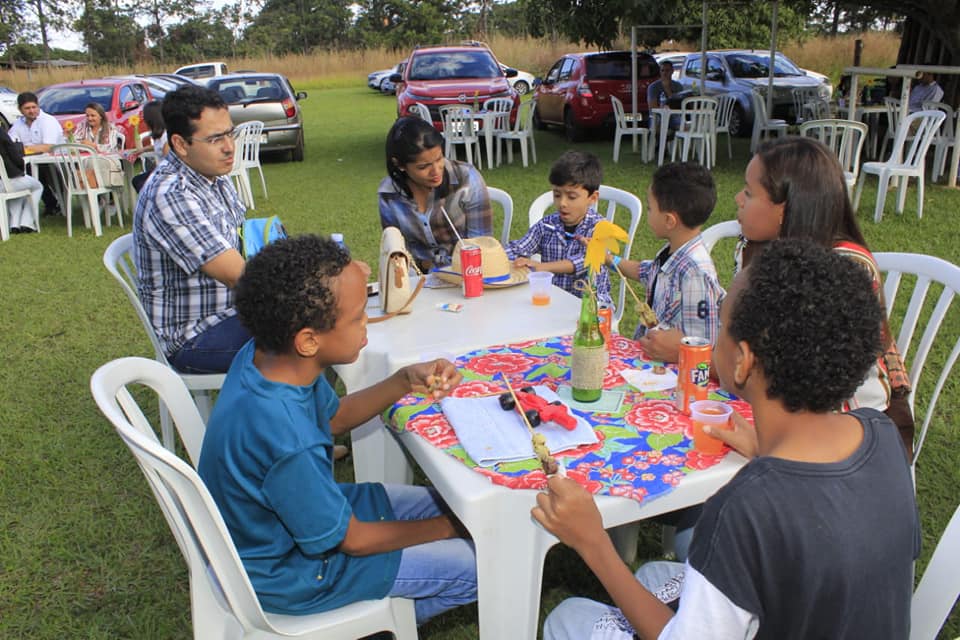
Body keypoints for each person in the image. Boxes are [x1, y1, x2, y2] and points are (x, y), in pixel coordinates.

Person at [534, 239, 919, 640]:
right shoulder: (880, 433)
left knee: (569, 617)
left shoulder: (745, 508)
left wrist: (594, 542)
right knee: (654, 575)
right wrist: (762, 448)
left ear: (743, 361)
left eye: (721, 327)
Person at [198, 234, 477, 624]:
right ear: (309, 340)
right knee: (476, 563)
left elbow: (333, 419)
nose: (367, 325)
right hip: (291, 573)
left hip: (283, 527)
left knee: (452, 504)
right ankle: (380, 627)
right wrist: (448, 529)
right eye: (358, 316)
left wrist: (403, 380)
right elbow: (355, 540)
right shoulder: (286, 437)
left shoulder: (268, 359)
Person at [733, 136, 896, 418]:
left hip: (845, 422)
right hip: (778, 407)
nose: (738, 198)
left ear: (785, 209)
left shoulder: (843, 269)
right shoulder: (758, 250)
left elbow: (808, 379)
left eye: (748, 192)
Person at [132, 85, 249, 374]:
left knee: (325, 317)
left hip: (232, 311)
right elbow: (240, 276)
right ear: (181, 145)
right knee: (312, 331)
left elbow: (245, 245)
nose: (229, 147)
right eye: (215, 139)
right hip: (195, 336)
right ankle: (304, 402)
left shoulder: (213, 176)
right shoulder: (171, 194)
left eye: (230, 134)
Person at [610, 162, 723, 364]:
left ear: (670, 220)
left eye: (650, 208)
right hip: (649, 359)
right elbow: (645, 272)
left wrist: (676, 350)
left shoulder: (695, 273)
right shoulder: (673, 252)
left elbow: (703, 342)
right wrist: (610, 260)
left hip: (672, 371)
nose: (648, 213)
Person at [379, 116, 493, 273]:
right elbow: (396, 251)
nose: (436, 171)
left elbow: (481, 245)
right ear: (399, 165)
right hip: (417, 277)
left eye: (439, 158)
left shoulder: (467, 179)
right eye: (423, 166)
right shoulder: (389, 194)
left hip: (466, 272)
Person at [505, 150, 611, 304]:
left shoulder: (601, 228)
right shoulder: (547, 225)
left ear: (592, 198)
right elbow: (518, 248)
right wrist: (493, 255)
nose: (562, 203)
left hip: (591, 306)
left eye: (571, 197)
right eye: (557, 195)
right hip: (553, 302)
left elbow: (585, 261)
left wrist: (542, 267)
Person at [8, 91, 64, 216]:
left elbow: (48, 147)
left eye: (34, 107)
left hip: (56, 161)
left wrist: (24, 148)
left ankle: (51, 205)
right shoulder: (18, 124)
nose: (32, 111)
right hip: (31, 161)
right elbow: (11, 145)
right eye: (27, 108)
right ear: (20, 109)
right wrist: (23, 149)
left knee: (32, 171)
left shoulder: (47, 121)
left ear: (38, 106)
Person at [74, 102, 125, 196]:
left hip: (105, 160)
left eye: (93, 115)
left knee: (91, 164)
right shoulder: (82, 126)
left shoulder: (110, 127)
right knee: (75, 167)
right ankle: (93, 194)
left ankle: (104, 195)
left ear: (101, 116)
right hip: (86, 160)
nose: (89, 118)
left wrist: (93, 146)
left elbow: (110, 147)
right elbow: (74, 142)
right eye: (87, 116)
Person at [0, 126, 43, 234]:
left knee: (18, 187)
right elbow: (14, 154)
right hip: (7, 179)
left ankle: (14, 224)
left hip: (5, 183)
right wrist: (20, 167)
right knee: (37, 186)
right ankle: (26, 223)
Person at [132, 100, 168, 192]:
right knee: (137, 180)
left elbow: (169, 163)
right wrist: (144, 149)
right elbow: (158, 147)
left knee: (141, 182)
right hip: (160, 171)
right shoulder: (159, 136)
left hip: (166, 175)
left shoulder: (166, 137)